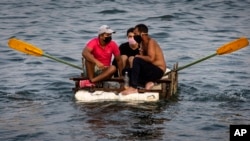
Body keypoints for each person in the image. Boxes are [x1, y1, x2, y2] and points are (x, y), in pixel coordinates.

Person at [121, 24, 167, 95]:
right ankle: (149, 82)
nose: (134, 36)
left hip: (158, 71)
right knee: (126, 71)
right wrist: (141, 52)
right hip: (149, 70)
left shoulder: (151, 42)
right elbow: (143, 62)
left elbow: (151, 59)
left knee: (136, 59)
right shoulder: (142, 43)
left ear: (142, 34)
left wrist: (138, 56)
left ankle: (133, 87)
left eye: (136, 34)